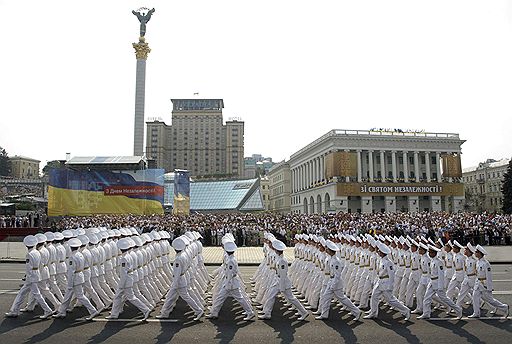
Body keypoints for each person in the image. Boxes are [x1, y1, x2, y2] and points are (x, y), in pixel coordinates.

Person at [5, 235, 54, 319]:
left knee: (36, 294)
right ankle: (14, 310)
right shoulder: (37, 252)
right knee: (22, 293)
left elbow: (28, 268)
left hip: (31, 277)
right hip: (36, 274)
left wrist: (27, 277)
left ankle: (47, 310)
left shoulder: (29, 254)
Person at [258, 240, 308, 321]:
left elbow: (283, 275)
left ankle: (304, 312)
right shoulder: (279, 257)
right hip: (278, 280)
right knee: (270, 296)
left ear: (277, 250)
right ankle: (267, 313)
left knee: (291, 298)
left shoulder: (282, 261)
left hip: (283, 282)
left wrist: (281, 287)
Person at [156, 236, 204, 321]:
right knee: (170, 297)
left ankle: (198, 310)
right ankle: (164, 313)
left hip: (179, 281)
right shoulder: (183, 255)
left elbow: (177, 273)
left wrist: (174, 283)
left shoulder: (178, 259)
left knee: (185, 297)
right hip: (182, 279)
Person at [53, 238, 100, 321]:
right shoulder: (80, 254)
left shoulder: (72, 257)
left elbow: (71, 271)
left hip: (75, 278)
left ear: (71, 248)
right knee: (68, 296)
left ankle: (93, 310)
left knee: (80, 296)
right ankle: (62, 311)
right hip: (80, 276)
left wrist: (70, 283)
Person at [207, 241, 255, 321]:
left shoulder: (230, 261)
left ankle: (250, 312)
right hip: (230, 282)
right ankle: (214, 313)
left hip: (230, 283)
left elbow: (229, 274)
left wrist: (228, 284)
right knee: (221, 298)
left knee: (239, 299)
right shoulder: (231, 259)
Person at [363, 241, 411, 321]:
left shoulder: (389, 263)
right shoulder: (381, 260)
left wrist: (390, 286)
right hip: (379, 282)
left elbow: (392, 275)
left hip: (385, 283)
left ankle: (406, 310)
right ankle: (373, 313)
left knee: (391, 300)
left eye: (379, 251)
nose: (378, 252)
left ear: (382, 253)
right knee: (374, 297)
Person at [106, 237, 151, 320]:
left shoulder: (124, 258)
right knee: (124, 297)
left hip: (126, 280)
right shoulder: (128, 255)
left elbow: (124, 273)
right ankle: (115, 314)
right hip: (130, 278)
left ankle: (145, 309)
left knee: (128, 297)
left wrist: (121, 285)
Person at [316, 240, 361, 321]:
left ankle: (357, 311)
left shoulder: (336, 261)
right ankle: (324, 314)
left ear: (330, 250)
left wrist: (333, 285)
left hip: (335, 284)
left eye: (327, 249)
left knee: (342, 299)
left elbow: (337, 275)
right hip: (331, 282)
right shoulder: (330, 258)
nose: (326, 250)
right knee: (325, 297)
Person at [417, 245, 462, 320]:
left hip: (437, 283)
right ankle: (426, 313)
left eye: (431, 252)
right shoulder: (432, 261)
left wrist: (441, 286)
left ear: (434, 253)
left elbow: (441, 275)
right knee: (426, 298)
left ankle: (458, 309)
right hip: (432, 281)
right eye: (429, 252)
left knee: (444, 298)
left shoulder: (439, 262)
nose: (429, 254)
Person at [469, 245, 509, 318]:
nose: (475, 253)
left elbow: (489, 276)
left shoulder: (486, 263)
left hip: (484, 284)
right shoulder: (478, 262)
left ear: (480, 253)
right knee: (474, 297)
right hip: (478, 283)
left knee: (490, 300)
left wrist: (489, 287)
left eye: (476, 252)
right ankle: (476, 313)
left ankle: (504, 307)